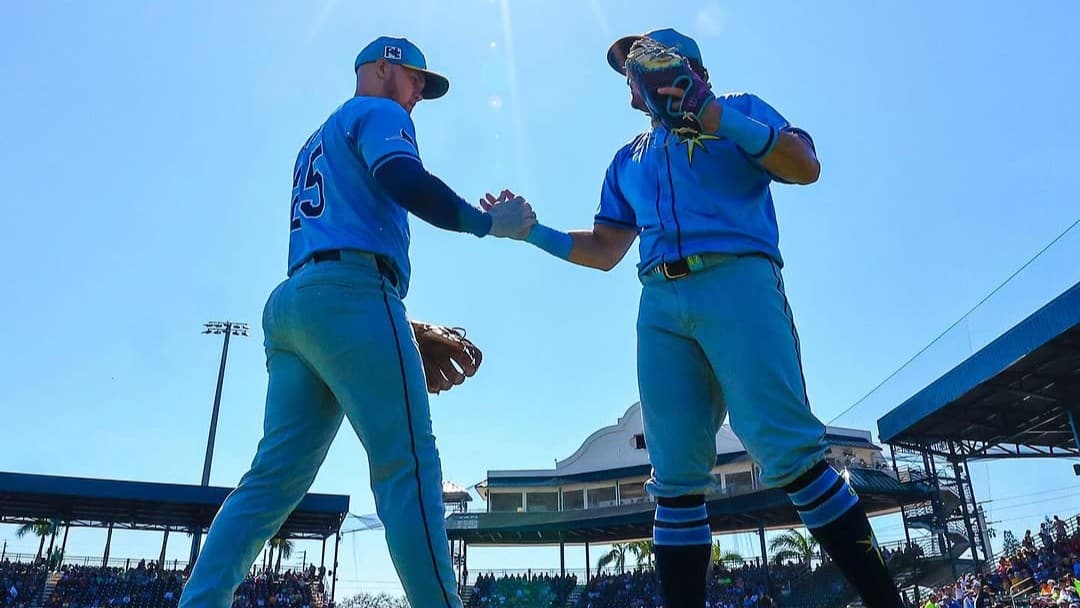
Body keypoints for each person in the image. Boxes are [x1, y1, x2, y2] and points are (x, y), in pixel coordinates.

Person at [487, 27, 902, 608]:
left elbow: (805, 165)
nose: (632, 84)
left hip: (738, 278)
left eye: (642, 68)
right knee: (676, 476)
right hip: (658, 300)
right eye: (633, 72)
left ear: (685, 69)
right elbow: (606, 250)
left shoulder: (740, 111)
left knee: (787, 450)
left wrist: (712, 114)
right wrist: (533, 234)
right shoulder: (628, 156)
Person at [178, 35, 534, 608]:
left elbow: (344, 229)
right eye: (416, 76)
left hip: (298, 303)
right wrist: (487, 222)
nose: (420, 90)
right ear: (382, 68)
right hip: (352, 294)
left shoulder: (315, 138)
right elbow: (403, 180)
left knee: (271, 480)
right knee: (408, 464)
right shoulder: (378, 109)